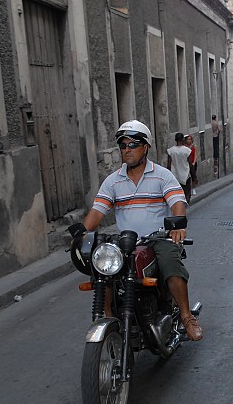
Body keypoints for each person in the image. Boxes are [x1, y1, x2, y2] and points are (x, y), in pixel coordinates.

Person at [77, 120, 203, 341]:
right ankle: (108, 319)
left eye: (133, 144)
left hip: (157, 239)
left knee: (170, 263)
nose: (127, 150)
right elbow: (97, 212)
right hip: (126, 243)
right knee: (102, 268)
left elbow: (177, 202)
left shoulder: (162, 175)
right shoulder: (113, 181)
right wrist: (80, 236)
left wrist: (178, 225)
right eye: (123, 145)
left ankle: (186, 316)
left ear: (146, 147)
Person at [167, 132, 192, 204]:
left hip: (175, 175)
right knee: (186, 192)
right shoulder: (187, 150)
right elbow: (190, 163)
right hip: (185, 175)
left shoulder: (171, 151)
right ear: (182, 139)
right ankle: (186, 204)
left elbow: (168, 165)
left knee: (177, 193)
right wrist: (194, 176)